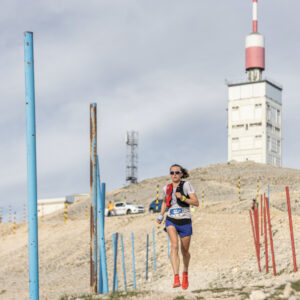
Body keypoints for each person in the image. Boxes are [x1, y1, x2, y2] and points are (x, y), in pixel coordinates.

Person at [157, 164, 199, 290]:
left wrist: (183, 197)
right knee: (174, 245)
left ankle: (185, 273)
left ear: (181, 174)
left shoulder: (186, 185)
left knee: (184, 251)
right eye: (172, 173)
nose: (174, 175)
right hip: (171, 220)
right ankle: (176, 277)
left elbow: (196, 202)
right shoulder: (167, 188)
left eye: (177, 172)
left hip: (185, 221)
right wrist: (161, 215)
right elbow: (165, 201)